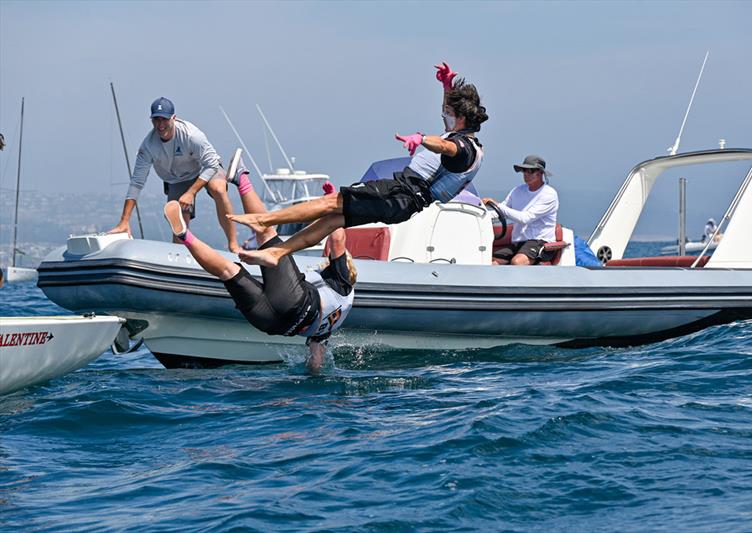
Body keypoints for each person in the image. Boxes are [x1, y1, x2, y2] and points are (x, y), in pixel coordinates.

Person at [229, 61, 488, 268]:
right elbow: (448, 128)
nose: (444, 114)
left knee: (331, 203)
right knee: (333, 220)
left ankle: (263, 220)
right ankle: (277, 253)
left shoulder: (464, 149)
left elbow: (445, 147)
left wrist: (420, 138)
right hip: (404, 202)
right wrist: (446, 86)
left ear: (461, 118)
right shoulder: (466, 139)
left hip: (400, 193)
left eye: (449, 112)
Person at [163, 149, 356, 373]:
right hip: (272, 325)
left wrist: (331, 203)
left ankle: (241, 178)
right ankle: (185, 236)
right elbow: (316, 362)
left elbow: (338, 236)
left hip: (295, 302)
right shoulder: (327, 329)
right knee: (228, 271)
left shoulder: (343, 282)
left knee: (266, 235)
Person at [108, 97, 241, 253]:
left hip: (204, 168)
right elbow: (137, 183)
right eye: (156, 120)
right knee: (178, 218)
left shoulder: (192, 136)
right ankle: (179, 258)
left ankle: (234, 245)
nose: (160, 124)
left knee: (218, 189)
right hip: (177, 179)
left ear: (174, 118)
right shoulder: (148, 146)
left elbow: (211, 164)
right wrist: (124, 221)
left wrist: (191, 192)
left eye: (164, 119)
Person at [482, 155, 559, 265]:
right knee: (491, 262)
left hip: (540, 241)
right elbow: (501, 212)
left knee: (517, 262)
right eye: (524, 171)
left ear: (540, 173)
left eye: (531, 171)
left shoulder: (549, 194)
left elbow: (525, 218)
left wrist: (496, 204)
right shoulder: (517, 190)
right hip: (518, 242)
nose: (526, 174)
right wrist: (479, 216)